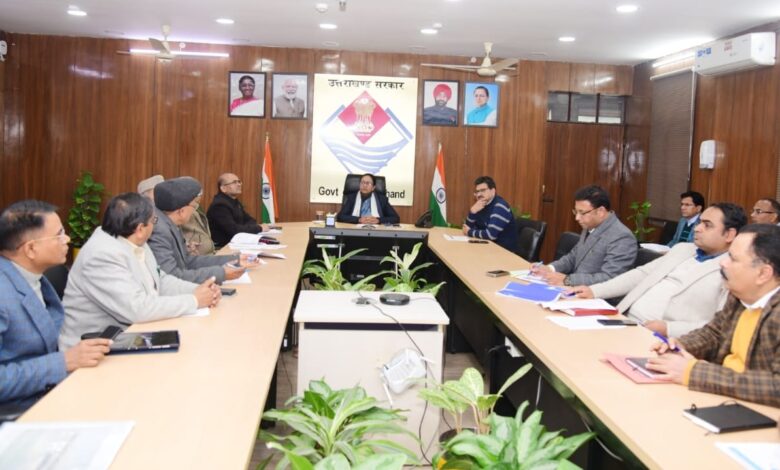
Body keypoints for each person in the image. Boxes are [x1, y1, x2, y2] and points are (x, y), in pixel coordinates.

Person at [59, 193, 222, 349]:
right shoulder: (101, 255)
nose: (155, 225)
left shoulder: (134, 239)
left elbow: (160, 281)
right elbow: (137, 309)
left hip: (131, 334)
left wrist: (199, 290)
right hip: (96, 349)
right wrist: (194, 300)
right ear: (140, 229)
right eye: (154, 220)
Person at [647, 224, 780, 407]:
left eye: (733, 258)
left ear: (763, 273)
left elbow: (776, 387)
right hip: (722, 397)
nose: (722, 263)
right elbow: (714, 333)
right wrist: (681, 345)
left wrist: (693, 372)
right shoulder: (741, 295)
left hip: (756, 409)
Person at [570, 203, 746, 336]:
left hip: (664, 338)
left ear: (729, 234)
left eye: (707, 225)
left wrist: (669, 328)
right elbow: (641, 274)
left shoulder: (734, 271)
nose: (697, 228)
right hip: (624, 319)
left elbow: (721, 327)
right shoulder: (683, 249)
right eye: (699, 222)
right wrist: (595, 291)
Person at [0, 200, 110, 409]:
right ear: (31, 248)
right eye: (59, 235)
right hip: (23, 408)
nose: (67, 239)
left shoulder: (33, 276)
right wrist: (63, 362)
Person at [149, 177, 253, 284]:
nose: (195, 209)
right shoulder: (159, 231)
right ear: (181, 211)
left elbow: (188, 261)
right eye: (195, 205)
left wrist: (235, 259)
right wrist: (221, 273)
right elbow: (172, 277)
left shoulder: (171, 223)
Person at [533, 185, 636, 286]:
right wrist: (549, 268)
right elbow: (574, 257)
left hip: (596, 294)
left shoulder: (622, 237)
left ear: (600, 211)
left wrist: (568, 280)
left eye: (582, 213)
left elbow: (609, 278)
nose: (577, 218)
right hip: (577, 289)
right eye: (576, 212)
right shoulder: (590, 225)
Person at [207, 173, 267, 247]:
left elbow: (251, 220)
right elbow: (234, 230)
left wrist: (243, 228)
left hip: (236, 243)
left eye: (239, 181)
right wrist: (259, 228)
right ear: (223, 188)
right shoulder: (219, 205)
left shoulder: (234, 202)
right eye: (234, 182)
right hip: (223, 247)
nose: (239, 184)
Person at [462, 176, 517, 253]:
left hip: (504, 252)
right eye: (477, 191)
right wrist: (473, 212)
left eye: (483, 190)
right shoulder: (481, 204)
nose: (479, 194)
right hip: (488, 248)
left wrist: (469, 232)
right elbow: (467, 228)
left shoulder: (500, 206)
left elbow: (490, 235)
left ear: (493, 191)